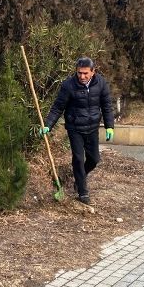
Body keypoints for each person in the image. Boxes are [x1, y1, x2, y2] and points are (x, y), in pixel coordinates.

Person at [42, 56, 115, 205]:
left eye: (85, 73)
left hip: (92, 127)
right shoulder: (69, 85)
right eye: (79, 73)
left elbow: (107, 106)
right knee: (78, 159)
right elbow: (58, 107)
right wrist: (48, 124)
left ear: (93, 72)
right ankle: (82, 192)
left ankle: (80, 177)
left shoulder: (101, 83)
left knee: (94, 159)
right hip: (75, 127)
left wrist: (109, 127)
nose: (82, 76)